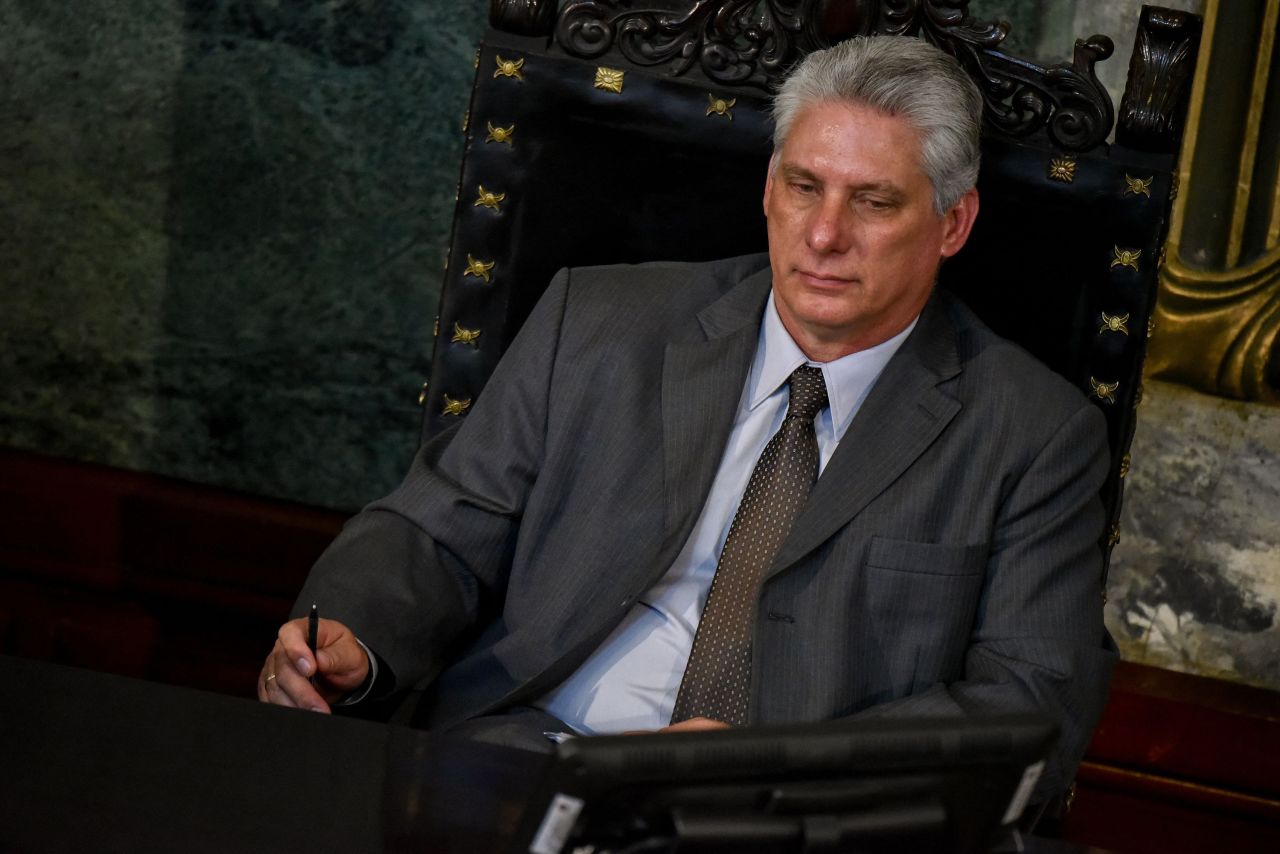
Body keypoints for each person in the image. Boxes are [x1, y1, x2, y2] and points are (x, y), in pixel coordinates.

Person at [259, 35, 1114, 799]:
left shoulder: (1033, 436)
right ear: (769, 189)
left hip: (784, 819)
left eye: (874, 202)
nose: (823, 234)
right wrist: (353, 635)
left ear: (952, 222)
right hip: (528, 760)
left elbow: (1030, 705)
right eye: (804, 186)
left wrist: (775, 764)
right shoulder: (596, 323)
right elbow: (439, 532)